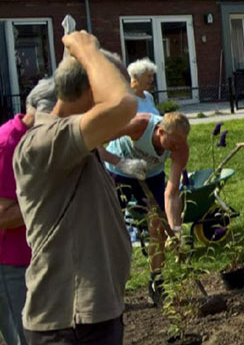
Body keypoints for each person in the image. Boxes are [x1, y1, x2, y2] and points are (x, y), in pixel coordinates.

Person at [14, 31, 136, 344]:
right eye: (107, 85)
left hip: (91, 318)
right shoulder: (44, 143)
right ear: (90, 90)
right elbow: (123, 105)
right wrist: (87, 51)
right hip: (68, 324)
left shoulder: (72, 144)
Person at [103, 111, 191, 305]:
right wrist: (121, 162)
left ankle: (156, 283)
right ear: (160, 131)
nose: (176, 147)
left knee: (159, 227)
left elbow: (172, 192)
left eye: (180, 142)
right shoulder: (139, 125)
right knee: (112, 231)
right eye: (173, 142)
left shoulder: (181, 148)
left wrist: (176, 230)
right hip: (118, 171)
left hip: (151, 175)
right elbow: (94, 142)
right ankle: (111, 289)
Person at [0, 80, 57, 345]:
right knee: (24, 338)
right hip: (11, 262)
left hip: (39, 257)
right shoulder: (7, 145)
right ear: (42, 110)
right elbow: (3, 216)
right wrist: (51, 194)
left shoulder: (39, 138)